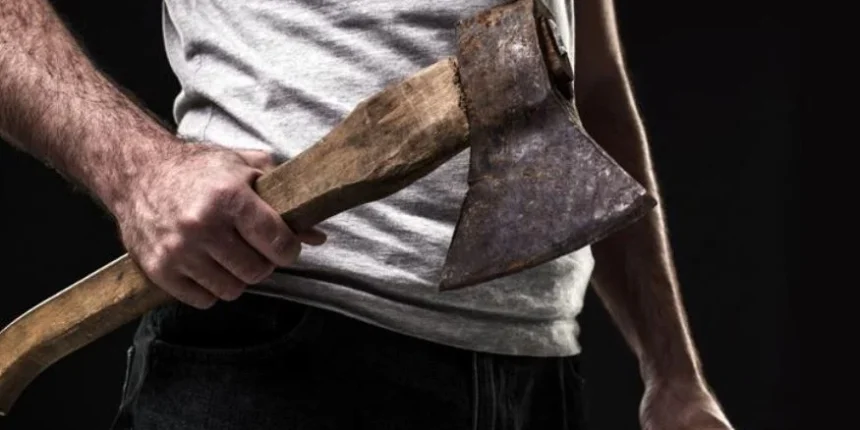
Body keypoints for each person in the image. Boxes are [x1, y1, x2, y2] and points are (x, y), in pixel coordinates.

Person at [0, 0, 734, 428]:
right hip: (281, 347)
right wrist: (140, 172)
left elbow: (586, 87)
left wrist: (672, 373)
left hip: (537, 374)